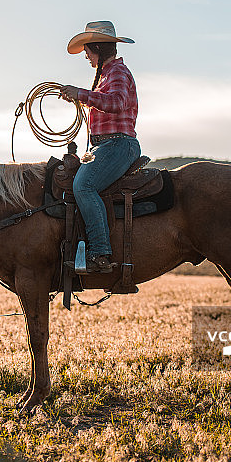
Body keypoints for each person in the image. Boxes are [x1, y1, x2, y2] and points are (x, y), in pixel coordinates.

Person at [59, 21, 141, 274]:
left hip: (118, 145)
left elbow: (116, 102)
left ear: (96, 47)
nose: (86, 55)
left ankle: (99, 253)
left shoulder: (116, 72)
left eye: (88, 50)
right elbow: (106, 102)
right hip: (106, 146)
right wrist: (79, 96)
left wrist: (82, 94)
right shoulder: (108, 74)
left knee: (83, 186)